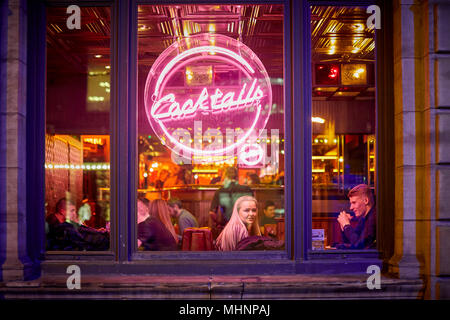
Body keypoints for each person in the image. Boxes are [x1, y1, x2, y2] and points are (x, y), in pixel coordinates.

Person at [336, 184, 376, 249]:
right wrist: (343, 226)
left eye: (354, 203)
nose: (351, 208)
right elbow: (350, 243)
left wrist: (346, 225)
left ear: (366, 200)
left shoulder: (374, 218)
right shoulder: (363, 219)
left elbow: (359, 245)